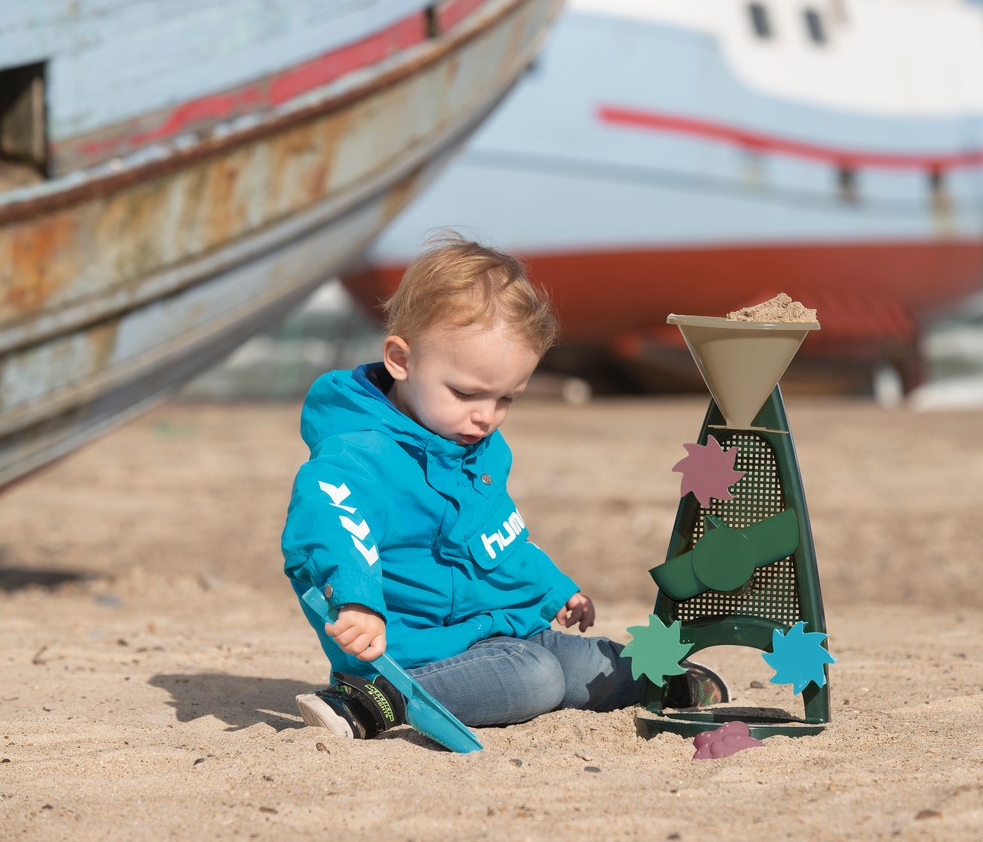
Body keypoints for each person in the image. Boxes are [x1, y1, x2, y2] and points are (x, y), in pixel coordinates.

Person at [280, 231, 728, 739]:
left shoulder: (479, 450)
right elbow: (330, 525)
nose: (486, 417)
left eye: (506, 399)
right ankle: (372, 703)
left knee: (588, 663)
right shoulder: (358, 454)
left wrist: (553, 588)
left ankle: (653, 683)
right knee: (535, 679)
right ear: (401, 361)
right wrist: (357, 600)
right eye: (466, 393)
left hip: (496, 628)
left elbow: (499, 539)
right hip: (408, 650)